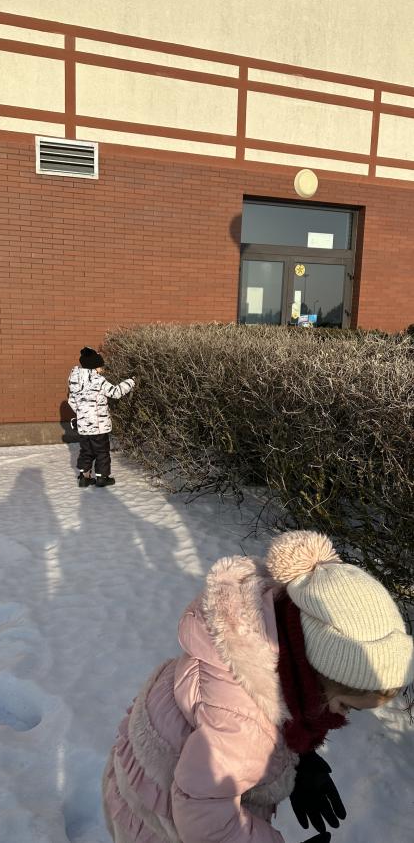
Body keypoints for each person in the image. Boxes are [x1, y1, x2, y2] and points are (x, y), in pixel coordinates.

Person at [102, 530, 414, 843]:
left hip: (148, 779)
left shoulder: (267, 636)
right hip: (157, 822)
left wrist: (300, 758)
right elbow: (206, 819)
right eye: (346, 705)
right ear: (316, 674)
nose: (342, 716)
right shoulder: (244, 726)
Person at [68, 346, 134, 488]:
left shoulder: (74, 380)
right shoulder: (98, 380)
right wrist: (130, 382)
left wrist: (83, 415)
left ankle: (84, 477)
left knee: (86, 451)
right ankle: (102, 478)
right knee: (102, 452)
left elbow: (72, 401)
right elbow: (115, 392)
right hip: (99, 426)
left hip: (83, 426)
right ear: (94, 367)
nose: (102, 369)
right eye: (100, 366)